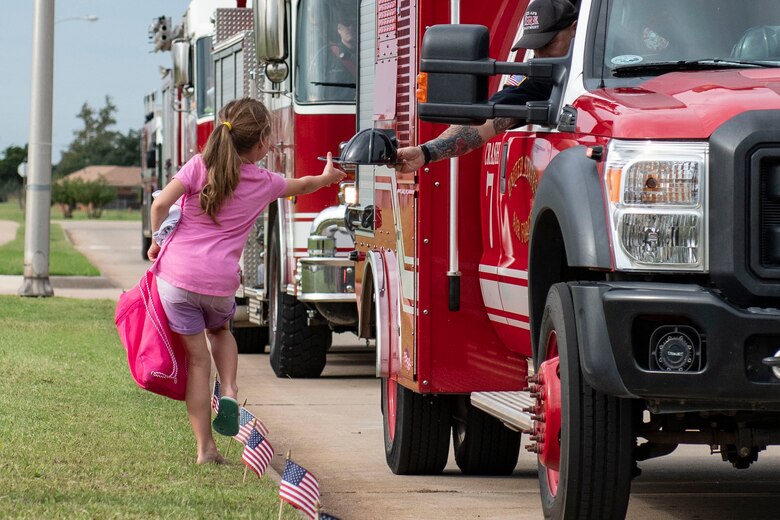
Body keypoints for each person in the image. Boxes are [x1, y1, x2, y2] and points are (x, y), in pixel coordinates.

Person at [147, 98, 346, 464]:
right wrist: (328, 177)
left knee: (196, 363)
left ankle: (206, 449)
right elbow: (301, 186)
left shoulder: (197, 166)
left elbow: (160, 207)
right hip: (220, 283)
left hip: (176, 280)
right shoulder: (263, 182)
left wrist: (158, 240)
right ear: (260, 144)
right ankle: (231, 387)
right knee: (221, 333)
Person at [395, 0, 578, 173]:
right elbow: (485, 123)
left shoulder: (600, 77)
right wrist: (425, 152)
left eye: (548, 44)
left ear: (575, 29)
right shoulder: (536, 80)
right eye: (535, 46)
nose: (540, 54)